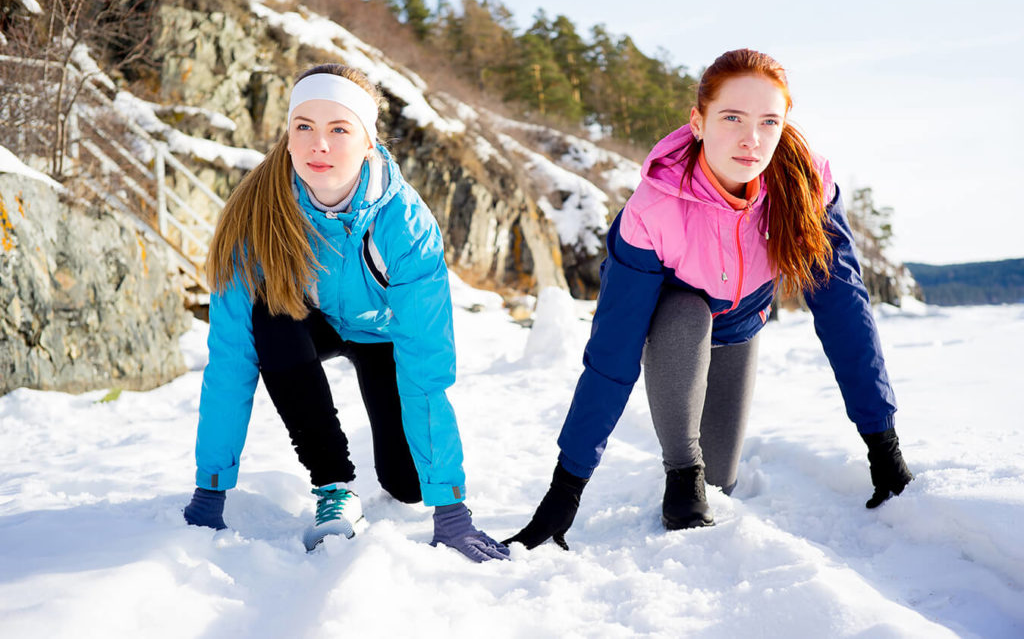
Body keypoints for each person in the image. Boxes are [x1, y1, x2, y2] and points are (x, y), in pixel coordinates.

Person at [505, 49, 913, 550]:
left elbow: (844, 310)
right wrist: (566, 487)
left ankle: (702, 471)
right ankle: (681, 471)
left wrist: (882, 443)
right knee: (684, 317)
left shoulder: (808, 186)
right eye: (732, 118)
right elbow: (612, 350)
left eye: (769, 121)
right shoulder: (654, 210)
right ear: (698, 122)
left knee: (721, 481)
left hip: (740, 325)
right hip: (679, 324)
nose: (752, 139)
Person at [182, 63, 509, 562]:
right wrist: (210, 490)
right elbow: (230, 362)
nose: (319, 145)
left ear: (369, 142)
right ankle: (332, 484)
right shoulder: (257, 216)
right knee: (269, 317)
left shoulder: (406, 226)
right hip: (306, 323)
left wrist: (451, 510)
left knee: (407, 487)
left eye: (339, 129)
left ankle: (418, 477)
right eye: (304, 128)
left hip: (382, 336)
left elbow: (426, 366)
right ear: (288, 137)